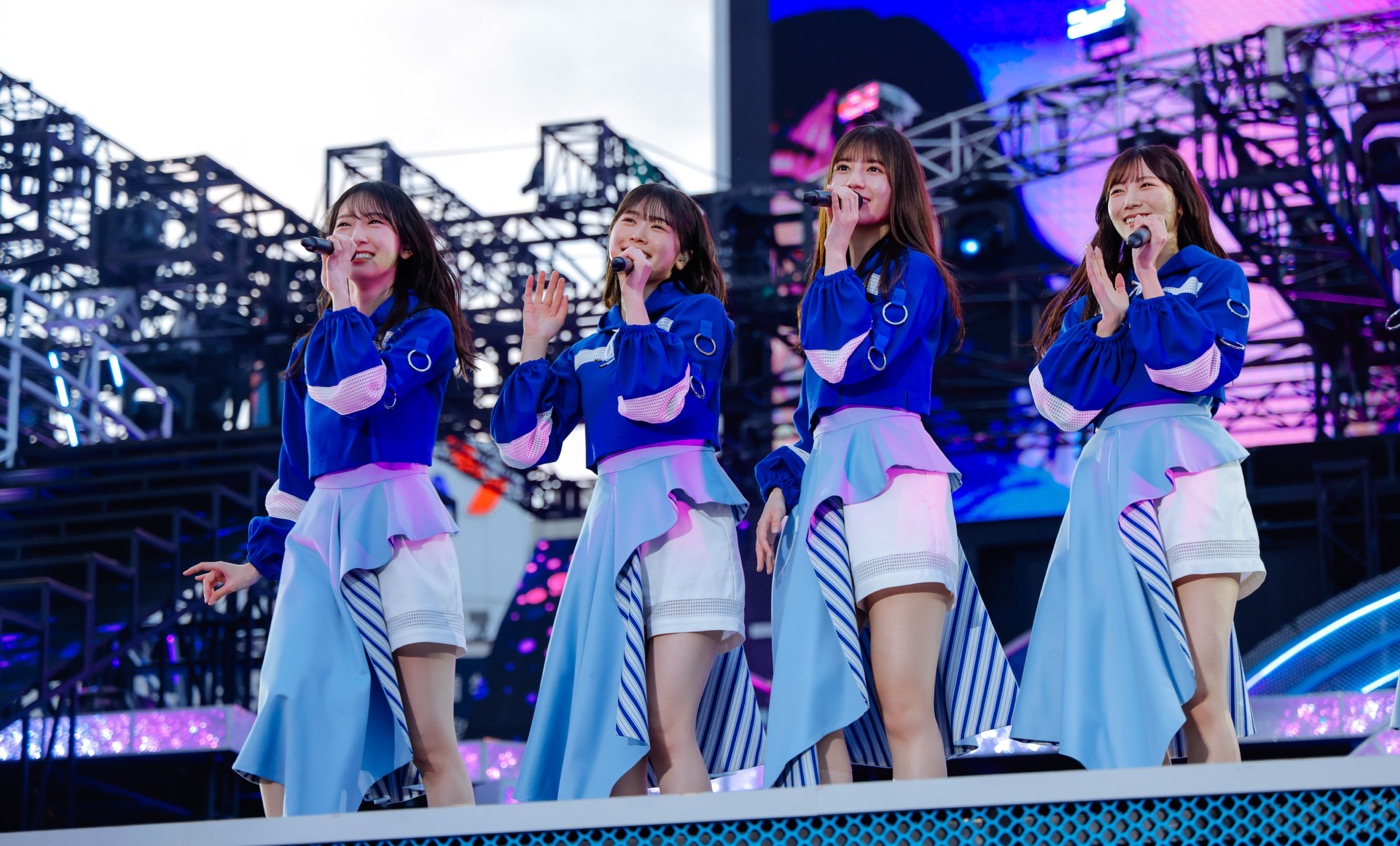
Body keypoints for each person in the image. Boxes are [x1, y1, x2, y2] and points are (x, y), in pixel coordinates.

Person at [184, 181, 477, 815]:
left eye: (374, 223)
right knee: (282, 730)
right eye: (344, 224)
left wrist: (342, 300)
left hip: (400, 525)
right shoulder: (307, 352)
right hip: (321, 533)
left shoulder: (426, 327)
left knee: (429, 740)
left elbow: (363, 393)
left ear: (405, 247)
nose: (355, 235)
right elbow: (295, 477)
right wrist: (254, 564)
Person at [754, 125, 1018, 787]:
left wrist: (835, 254)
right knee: (819, 713)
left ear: (899, 188)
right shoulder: (825, 285)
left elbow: (849, 362)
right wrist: (782, 485)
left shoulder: (916, 271)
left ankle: (925, 832)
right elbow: (816, 416)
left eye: (875, 169)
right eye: (845, 167)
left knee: (904, 707)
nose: (856, 180)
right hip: (824, 489)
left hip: (897, 482)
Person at [492, 182, 763, 800]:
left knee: (666, 730)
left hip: (683, 520)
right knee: (613, 739)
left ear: (683, 255)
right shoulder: (589, 350)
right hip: (612, 529)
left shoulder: (701, 316)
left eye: (657, 227)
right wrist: (536, 342)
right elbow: (524, 447)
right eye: (629, 221)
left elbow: (657, 401)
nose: (637, 233)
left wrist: (635, 300)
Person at [1012, 144, 1266, 769]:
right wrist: (1106, 322)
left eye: (1146, 185)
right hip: (1107, 482)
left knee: (1200, 692)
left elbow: (1192, 372)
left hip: (1190, 474)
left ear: (1180, 200)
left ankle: (1221, 818)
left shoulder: (1216, 277)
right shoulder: (1094, 296)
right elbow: (1062, 408)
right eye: (1117, 190)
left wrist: (1150, 284)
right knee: (1122, 692)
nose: (1130, 200)